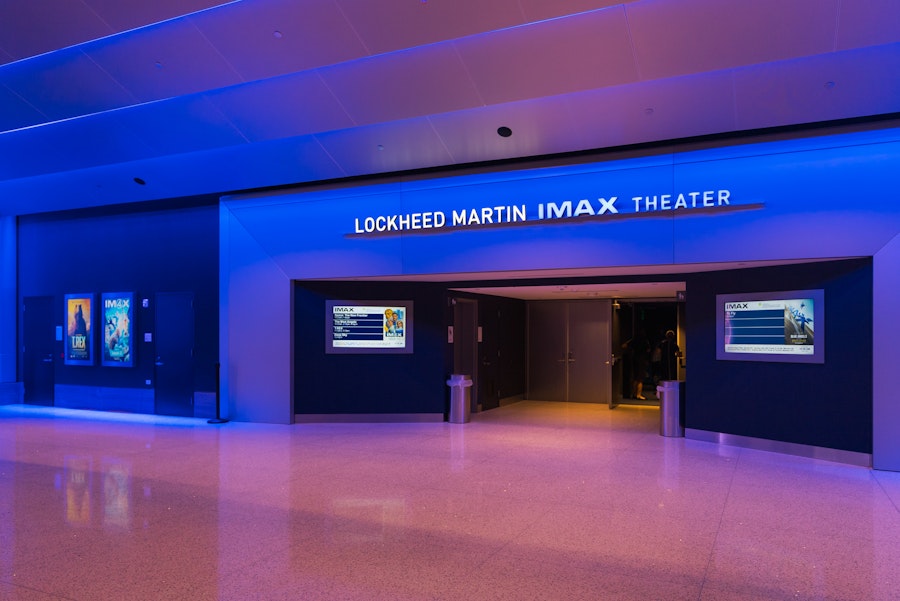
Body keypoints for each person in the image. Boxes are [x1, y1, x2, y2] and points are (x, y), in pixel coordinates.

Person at [622, 329, 650, 400]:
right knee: (640, 378)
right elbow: (648, 350)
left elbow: (624, 346)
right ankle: (639, 394)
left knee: (635, 378)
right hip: (642, 360)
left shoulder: (633, 340)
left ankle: (634, 394)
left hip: (635, 359)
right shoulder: (645, 341)